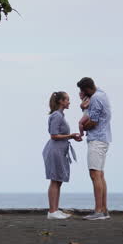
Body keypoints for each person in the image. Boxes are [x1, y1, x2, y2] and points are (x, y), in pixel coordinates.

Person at [42, 91, 82, 220]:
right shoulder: (57, 116)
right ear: (61, 101)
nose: (69, 102)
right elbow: (54, 135)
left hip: (60, 150)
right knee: (55, 179)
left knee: (58, 180)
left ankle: (55, 210)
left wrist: (71, 137)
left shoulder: (60, 115)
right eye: (67, 100)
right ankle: (52, 211)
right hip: (55, 150)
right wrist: (70, 136)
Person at [76, 77, 112, 221]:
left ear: (87, 90)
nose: (81, 93)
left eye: (82, 91)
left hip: (96, 139)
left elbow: (93, 122)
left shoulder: (96, 98)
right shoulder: (102, 93)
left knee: (94, 174)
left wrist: (83, 127)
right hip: (104, 138)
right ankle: (104, 210)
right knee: (100, 175)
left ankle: (98, 211)